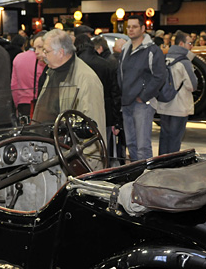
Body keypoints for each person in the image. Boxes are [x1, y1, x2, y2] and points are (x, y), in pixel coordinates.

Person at [32, 28, 105, 131]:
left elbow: (93, 125)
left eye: (46, 51)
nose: (43, 55)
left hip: (69, 144)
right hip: (48, 141)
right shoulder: (52, 71)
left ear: (61, 52)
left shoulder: (87, 79)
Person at [118, 15, 166, 161]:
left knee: (142, 147)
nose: (131, 30)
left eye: (134, 27)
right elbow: (120, 74)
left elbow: (160, 76)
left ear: (143, 29)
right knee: (131, 144)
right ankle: (135, 176)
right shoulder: (125, 49)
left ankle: (145, 178)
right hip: (126, 103)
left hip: (142, 105)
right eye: (129, 27)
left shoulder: (152, 50)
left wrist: (143, 96)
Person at [150, 30, 197, 155]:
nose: (191, 46)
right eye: (189, 43)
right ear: (181, 44)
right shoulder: (184, 62)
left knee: (164, 138)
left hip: (163, 104)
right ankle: (171, 168)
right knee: (175, 140)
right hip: (179, 107)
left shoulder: (165, 58)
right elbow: (193, 86)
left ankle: (161, 165)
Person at [78, 34, 122, 162]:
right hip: (105, 113)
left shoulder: (77, 64)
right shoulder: (106, 64)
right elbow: (115, 92)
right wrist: (116, 120)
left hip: (80, 111)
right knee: (102, 146)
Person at [11, 31, 45, 119]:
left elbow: (14, 85)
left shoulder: (18, 58)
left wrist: (16, 105)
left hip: (22, 103)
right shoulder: (43, 61)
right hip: (39, 104)